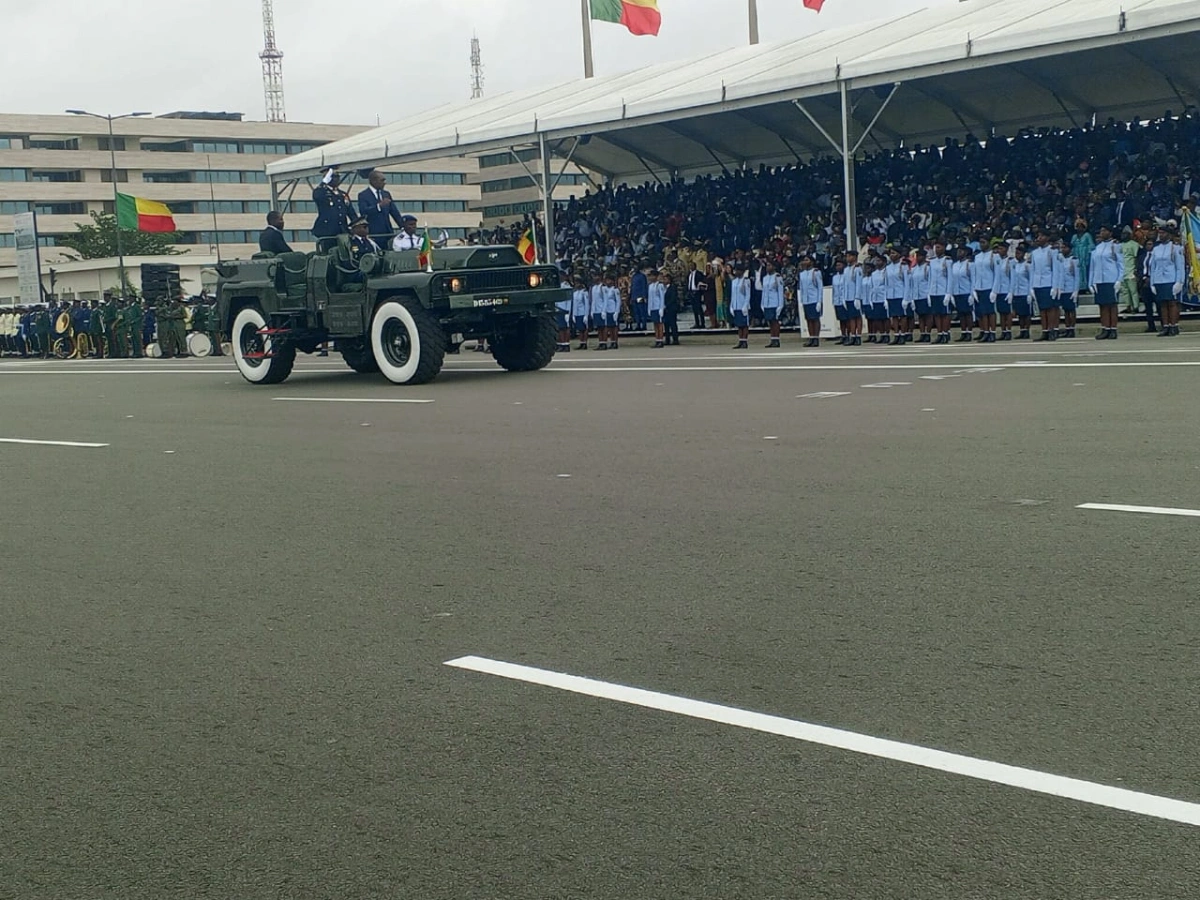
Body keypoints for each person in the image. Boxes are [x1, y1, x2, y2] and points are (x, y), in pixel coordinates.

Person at [1147, 224, 1185, 337]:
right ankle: (1166, 326)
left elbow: (1179, 266)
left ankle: (1174, 325)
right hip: (1159, 279)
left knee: (1172, 303)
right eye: (1160, 233)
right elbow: (1153, 267)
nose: (1161, 235)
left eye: (1163, 233)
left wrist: (1179, 281)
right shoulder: (1156, 249)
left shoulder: (1175, 248)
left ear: (1169, 234)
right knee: (1162, 304)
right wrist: (1153, 282)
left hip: (1171, 279)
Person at [1090, 225, 1124, 339]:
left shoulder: (1115, 246)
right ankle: (1105, 328)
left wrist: (1119, 280)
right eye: (1101, 231)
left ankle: (1113, 328)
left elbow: (1121, 265)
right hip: (1099, 279)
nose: (1102, 233)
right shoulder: (1098, 248)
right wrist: (1092, 281)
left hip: (1111, 278)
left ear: (1110, 233)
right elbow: (1093, 266)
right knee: (1102, 305)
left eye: (1104, 230)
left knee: (1112, 305)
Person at [358, 170, 404, 250]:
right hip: (374, 234)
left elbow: (394, 212)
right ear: (373, 181)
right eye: (382, 180)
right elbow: (363, 211)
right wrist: (378, 206)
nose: (384, 182)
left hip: (388, 233)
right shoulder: (363, 195)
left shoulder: (386, 194)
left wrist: (403, 226)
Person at [311, 169, 353, 251]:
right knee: (329, 252)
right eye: (333, 176)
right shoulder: (322, 192)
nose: (336, 179)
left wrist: (355, 226)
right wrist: (324, 182)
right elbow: (317, 196)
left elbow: (350, 212)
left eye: (337, 176)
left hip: (342, 230)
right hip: (328, 230)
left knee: (344, 252)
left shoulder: (343, 194)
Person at [1030, 233, 1059, 341]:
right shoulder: (1034, 253)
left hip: (1048, 282)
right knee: (1042, 309)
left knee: (1050, 308)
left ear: (1047, 238)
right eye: (1038, 237)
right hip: (1038, 283)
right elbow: (1032, 270)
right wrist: (1031, 287)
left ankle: (1052, 330)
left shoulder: (1052, 251)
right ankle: (1045, 331)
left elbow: (1055, 269)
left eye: (1041, 236)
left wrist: (1055, 286)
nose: (1039, 238)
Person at [928, 242, 952, 344]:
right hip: (934, 291)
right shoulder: (932, 261)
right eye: (935, 247)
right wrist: (928, 292)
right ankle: (939, 333)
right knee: (937, 314)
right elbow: (930, 278)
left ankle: (945, 333)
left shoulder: (947, 260)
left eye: (938, 247)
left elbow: (950, 278)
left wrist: (948, 293)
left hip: (943, 290)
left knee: (945, 314)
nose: (936, 249)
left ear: (943, 248)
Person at [1053, 240, 1078, 339]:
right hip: (1062, 289)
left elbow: (1077, 276)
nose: (1063, 250)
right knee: (1066, 310)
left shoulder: (1074, 260)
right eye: (1062, 248)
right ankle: (1067, 328)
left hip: (1071, 288)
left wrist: (1076, 290)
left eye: (1065, 247)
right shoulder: (1061, 260)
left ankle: (1072, 329)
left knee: (1071, 310)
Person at [797, 257, 823, 348]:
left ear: (812, 262)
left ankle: (816, 338)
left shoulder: (815, 272)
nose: (805, 262)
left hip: (814, 299)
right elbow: (801, 287)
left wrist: (819, 301)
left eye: (807, 260)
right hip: (806, 300)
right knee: (808, 319)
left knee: (815, 319)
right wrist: (801, 300)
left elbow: (820, 287)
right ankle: (811, 337)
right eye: (804, 260)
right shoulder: (802, 274)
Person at [991, 241, 1014, 341]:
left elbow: (1013, 278)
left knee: (1007, 312)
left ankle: (1008, 331)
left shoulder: (1011, 261)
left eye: (1002, 249)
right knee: (1001, 312)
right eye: (998, 249)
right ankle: (1003, 330)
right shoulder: (997, 260)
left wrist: (1011, 292)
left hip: (1007, 289)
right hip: (999, 290)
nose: (999, 251)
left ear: (1006, 249)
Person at [950, 246, 974, 342]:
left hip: (966, 291)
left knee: (967, 313)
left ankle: (969, 333)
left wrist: (972, 293)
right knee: (961, 314)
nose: (958, 253)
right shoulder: (954, 265)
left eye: (961, 251)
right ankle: (963, 332)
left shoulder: (969, 264)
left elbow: (973, 279)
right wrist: (951, 293)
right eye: (958, 251)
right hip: (957, 292)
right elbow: (952, 280)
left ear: (965, 252)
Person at [1010, 244, 1034, 340]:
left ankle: (1027, 330)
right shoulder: (1014, 265)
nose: (1017, 255)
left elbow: (1030, 279)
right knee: (1020, 314)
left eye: (1019, 253)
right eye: (1016, 253)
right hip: (1017, 292)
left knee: (1026, 314)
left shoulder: (1027, 265)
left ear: (1024, 254)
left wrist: (1030, 293)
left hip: (1025, 291)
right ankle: (1022, 330)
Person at [910, 248, 933, 342]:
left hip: (925, 294)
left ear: (924, 257)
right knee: (920, 316)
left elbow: (930, 281)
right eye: (917, 256)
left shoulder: (927, 267)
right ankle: (922, 333)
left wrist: (929, 294)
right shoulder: (914, 269)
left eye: (920, 256)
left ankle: (928, 333)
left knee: (928, 315)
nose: (918, 258)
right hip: (916, 295)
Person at [1117, 226, 1142, 314]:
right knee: (1125, 291)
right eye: (1122, 234)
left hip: (1131, 270)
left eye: (1125, 234)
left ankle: (1136, 307)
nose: (1123, 236)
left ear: (1130, 235)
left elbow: (1136, 258)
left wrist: (1136, 269)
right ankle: (1128, 306)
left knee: (1133, 290)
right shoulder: (1119, 245)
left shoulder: (1134, 244)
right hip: (1122, 271)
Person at [761, 261, 785, 348]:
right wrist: (762, 303)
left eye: (769, 265)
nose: (767, 267)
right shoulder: (765, 278)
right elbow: (764, 292)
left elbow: (780, 292)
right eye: (767, 265)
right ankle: (772, 339)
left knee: (775, 322)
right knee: (770, 322)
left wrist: (780, 305)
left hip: (775, 302)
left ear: (774, 267)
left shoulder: (777, 277)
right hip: (767, 303)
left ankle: (777, 340)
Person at [730, 269, 751, 349]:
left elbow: (748, 294)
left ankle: (745, 341)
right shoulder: (734, 281)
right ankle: (740, 341)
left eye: (738, 270)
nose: (736, 272)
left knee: (744, 325)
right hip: (736, 306)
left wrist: (745, 305)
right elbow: (733, 295)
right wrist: (731, 306)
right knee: (739, 325)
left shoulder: (746, 281)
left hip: (743, 306)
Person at [571, 276, 591, 350]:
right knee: (580, 329)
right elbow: (574, 304)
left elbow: (586, 304)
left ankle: (584, 343)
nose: (576, 284)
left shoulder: (584, 292)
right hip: (577, 313)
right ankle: (581, 342)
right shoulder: (575, 293)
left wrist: (586, 315)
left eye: (577, 283)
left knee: (584, 329)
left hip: (583, 312)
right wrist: (573, 314)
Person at [648, 271, 666, 348]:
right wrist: (649, 308)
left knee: (660, 324)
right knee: (655, 324)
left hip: (658, 306)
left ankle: (661, 340)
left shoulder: (660, 285)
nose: (651, 278)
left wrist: (661, 308)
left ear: (656, 276)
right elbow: (650, 298)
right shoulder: (650, 286)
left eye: (652, 276)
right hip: (653, 307)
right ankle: (657, 339)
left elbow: (662, 297)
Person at [662, 272, 680, 346]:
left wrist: (666, 305)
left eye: (665, 279)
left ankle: (675, 339)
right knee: (666, 325)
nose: (664, 280)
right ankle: (667, 339)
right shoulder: (663, 288)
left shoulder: (672, 288)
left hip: (671, 308)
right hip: (665, 309)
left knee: (673, 324)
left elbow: (673, 298)